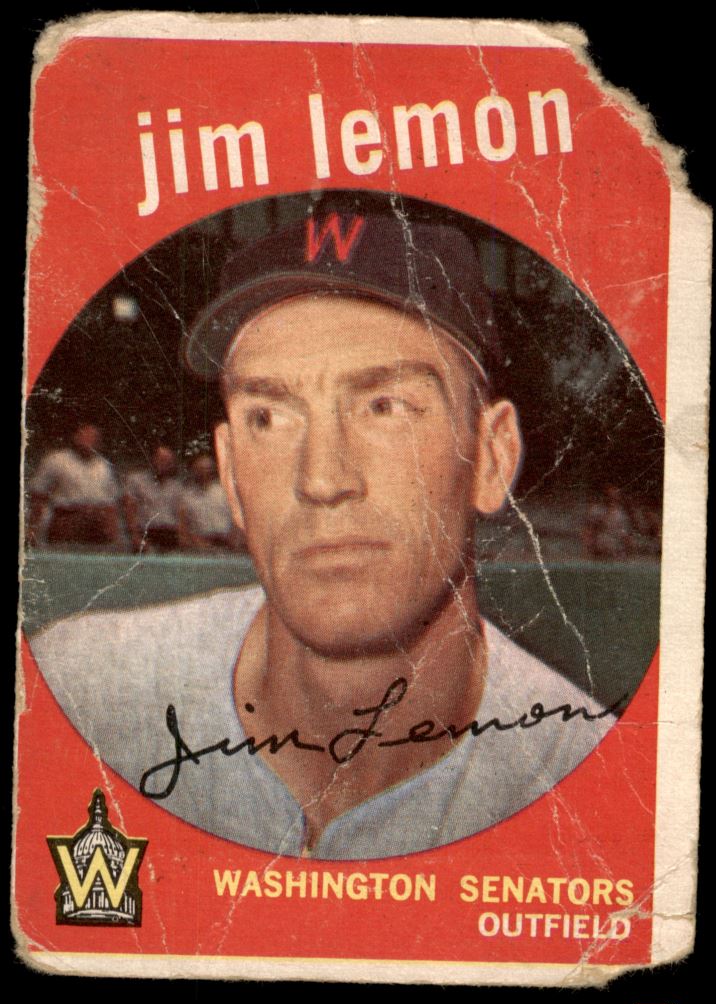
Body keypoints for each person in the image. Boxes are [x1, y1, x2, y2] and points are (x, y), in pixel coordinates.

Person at [29, 205, 620, 859]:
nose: (321, 478)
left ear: (491, 457)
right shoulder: (78, 689)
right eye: (269, 417)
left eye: (385, 407)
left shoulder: (594, 789)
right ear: (232, 473)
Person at [27, 423, 121, 548]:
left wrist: (115, 537)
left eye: (93, 438)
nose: (89, 441)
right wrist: (32, 529)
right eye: (85, 436)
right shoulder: (56, 460)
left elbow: (111, 504)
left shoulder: (104, 466)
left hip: (97, 522)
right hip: (66, 518)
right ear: (76, 437)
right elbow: (38, 494)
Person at [123, 445, 183, 552]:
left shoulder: (176, 487)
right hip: (145, 531)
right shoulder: (136, 480)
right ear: (153, 459)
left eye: (168, 461)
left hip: (169, 533)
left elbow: (180, 515)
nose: (163, 464)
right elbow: (130, 510)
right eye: (161, 459)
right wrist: (135, 536)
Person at [178, 453, 235, 551]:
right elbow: (183, 524)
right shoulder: (186, 495)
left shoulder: (225, 492)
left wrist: (233, 541)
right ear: (193, 470)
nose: (203, 472)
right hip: (199, 543)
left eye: (206, 469)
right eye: (199, 469)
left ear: (212, 470)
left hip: (225, 542)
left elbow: (236, 519)